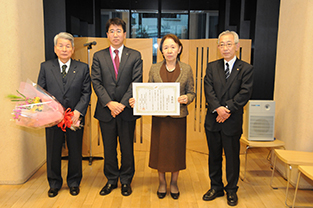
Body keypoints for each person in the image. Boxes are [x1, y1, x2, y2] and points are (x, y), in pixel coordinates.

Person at [130, 34, 195, 200]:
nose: (169, 50)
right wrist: (138, 100)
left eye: (173, 47)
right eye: (165, 47)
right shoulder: (154, 68)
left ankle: (174, 182)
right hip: (159, 118)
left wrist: (187, 98)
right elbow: (148, 91)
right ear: (161, 51)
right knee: (160, 150)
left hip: (178, 118)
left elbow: (192, 91)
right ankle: (161, 182)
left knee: (176, 150)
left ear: (179, 49)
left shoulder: (187, 69)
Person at [91, 17, 143, 197]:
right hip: (106, 110)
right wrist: (109, 103)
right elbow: (96, 82)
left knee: (127, 147)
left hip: (127, 109)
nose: (115, 34)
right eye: (112, 31)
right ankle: (112, 179)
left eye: (118, 31)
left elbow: (136, 81)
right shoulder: (99, 56)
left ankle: (126, 180)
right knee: (109, 147)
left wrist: (121, 104)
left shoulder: (135, 55)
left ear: (125, 34)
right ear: (107, 34)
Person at [37, 32, 91, 197]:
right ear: (55, 49)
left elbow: (86, 92)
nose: (64, 49)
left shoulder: (82, 68)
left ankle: (74, 182)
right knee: (53, 151)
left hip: (74, 117)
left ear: (73, 49)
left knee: (75, 150)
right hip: (53, 118)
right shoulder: (46, 67)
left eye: (68, 46)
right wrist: (50, 111)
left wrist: (78, 111)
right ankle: (54, 183)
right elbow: (40, 91)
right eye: (61, 45)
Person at [202, 30, 253, 206]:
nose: (225, 48)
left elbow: (244, 93)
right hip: (213, 120)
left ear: (237, 46)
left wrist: (227, 109)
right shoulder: (211, 67)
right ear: (218, 47)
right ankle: (215, 187)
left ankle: (231, 190)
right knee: (214, 156)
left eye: (229, 44)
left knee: (232, 157)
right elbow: (208, 90)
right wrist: (218, 108)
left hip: (231, 121)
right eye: (222, 44)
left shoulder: (246, 69)